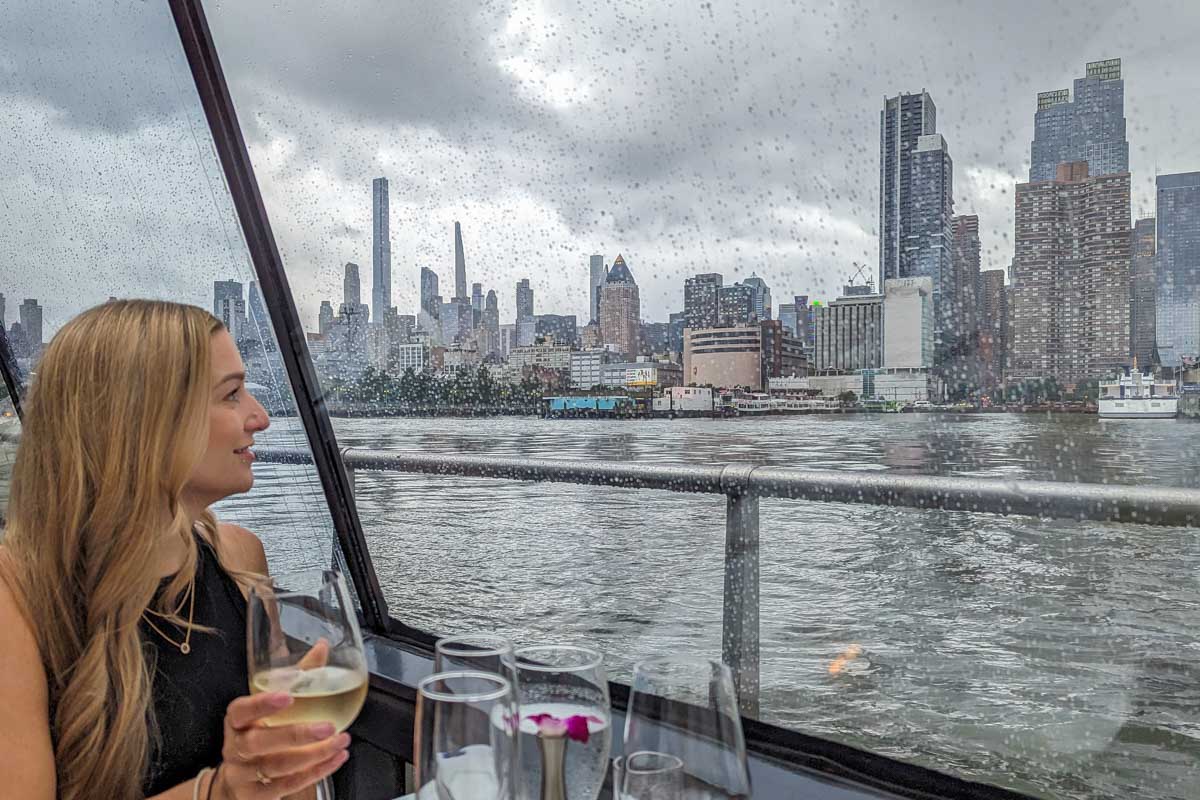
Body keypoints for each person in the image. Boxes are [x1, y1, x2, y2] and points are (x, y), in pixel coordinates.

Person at [0, 300, 349, 800]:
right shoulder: (16, 599)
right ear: (143, 421)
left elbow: (286, 785)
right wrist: (219, 792)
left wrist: (289, 759)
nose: (261, 417)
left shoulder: (240, 559)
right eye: (231, 395)